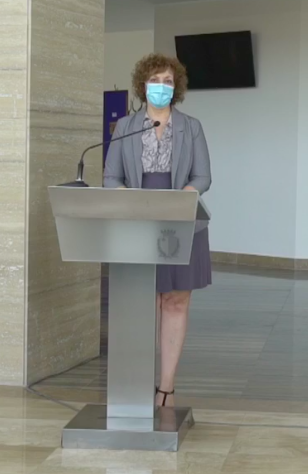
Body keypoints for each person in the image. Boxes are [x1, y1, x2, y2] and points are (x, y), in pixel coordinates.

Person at [103, 53, 212, 408]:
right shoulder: (125, 127)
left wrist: (178, 201)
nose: (161, 87)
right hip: (137, 222)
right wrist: (132, 203)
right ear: (142, 85)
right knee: (142, 301)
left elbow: (203, 177)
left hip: (181, 220)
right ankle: (135, 383)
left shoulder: (191, 126)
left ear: (176, 87)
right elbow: (110, 178)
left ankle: (166, 388)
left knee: (176, 301)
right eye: (155, 80)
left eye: (168, 81)